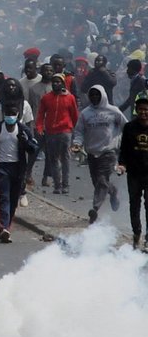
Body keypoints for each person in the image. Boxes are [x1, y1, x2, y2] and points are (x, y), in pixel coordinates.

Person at [72, 85, 126, 224]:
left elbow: (126, 127)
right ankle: (113, 192)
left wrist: (125, 143)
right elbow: (79, 131)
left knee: (102, 180)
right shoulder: (85, 113)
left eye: (97, 95)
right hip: (92, 153)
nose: (95, 97)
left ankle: (95, 209)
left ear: (103, 95)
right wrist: (77, 143)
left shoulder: (113, 111)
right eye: (92, 95)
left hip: (108, 152)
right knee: (97, 182)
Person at [0, 103, 39, 243]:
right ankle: (3, 227)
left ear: (17, 116)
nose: (10, 117)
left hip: (18, 168)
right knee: (4, 197)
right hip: (1, 167)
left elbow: (34, 148)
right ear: (4, 115)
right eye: (8, 114)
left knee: (13, 200)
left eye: (13, 114)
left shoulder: (23, 130)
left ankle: (6, 228)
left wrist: (25, 142)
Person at [35, 74, 78, 195]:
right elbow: (40, 114)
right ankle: (57, 185)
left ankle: (65, 185)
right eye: (54, 82)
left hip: (65, 131)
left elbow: (74, 115)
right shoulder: (46, 98)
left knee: (65, 158)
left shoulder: (70, 98)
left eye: (58, 82)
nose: (55, 84)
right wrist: (39, 127)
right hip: (50, 132)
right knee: (53, 159)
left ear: (63, 84)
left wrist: (74, 130)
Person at [117, 98, 148, 249]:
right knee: (134, 205)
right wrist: (122, 164)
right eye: (140, 109)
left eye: (146, 110)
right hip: (134, 173)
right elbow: (124, 149)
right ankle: (136, 234)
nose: (143, 112)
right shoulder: (129, 127)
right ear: (136, 110)